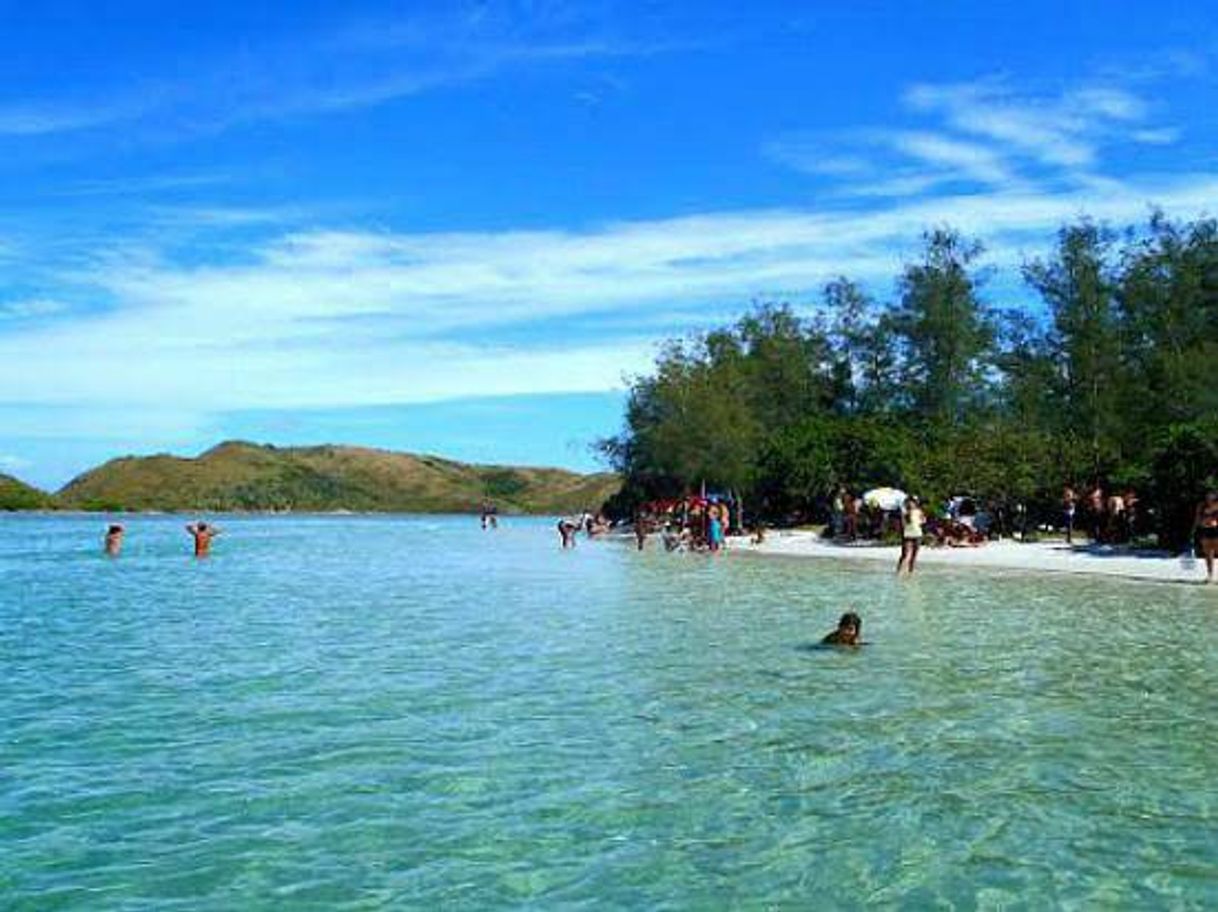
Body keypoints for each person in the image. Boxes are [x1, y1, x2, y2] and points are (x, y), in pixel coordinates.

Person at [896, 495, 925, 575]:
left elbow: (923, 520)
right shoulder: (904, 512)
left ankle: (910, 571)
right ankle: (899, 571)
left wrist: (920, 521)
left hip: (918, 533)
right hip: (908, 534)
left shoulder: (919, 511)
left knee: (914, 555)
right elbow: (903, 524)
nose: (911, 503)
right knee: (905, 554)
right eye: (909, 502)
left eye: (913, 502)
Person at [1193, 492, 1218, 583]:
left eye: (1211, 496)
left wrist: (1215, 522)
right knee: (1208, 554)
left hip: (1216, 530)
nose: (1209, 498)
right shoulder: (1201, 506)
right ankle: (1210, 575)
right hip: (1205, 530)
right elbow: (1197, 518)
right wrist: (1197, 527)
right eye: (1207, 496)